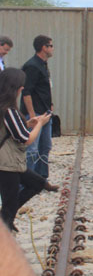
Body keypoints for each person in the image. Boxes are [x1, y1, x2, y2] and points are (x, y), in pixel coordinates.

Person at [0, 68, 51, 231]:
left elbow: (11, 130)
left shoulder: (5, 108)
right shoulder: (8, 110)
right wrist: (40, 125)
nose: (23, 89)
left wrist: (28, 124)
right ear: (15, 88)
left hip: (11, 162)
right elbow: (26, 139)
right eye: (21, 86)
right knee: (10, 203)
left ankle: (4, 220)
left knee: (37, 183)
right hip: (7, 164)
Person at [21, 35, 57, 192]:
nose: (52, 48)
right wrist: (33, 116)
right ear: (44, 47)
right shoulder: (32, 66)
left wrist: (50, 105)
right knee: (32, 149)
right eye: (51, 45)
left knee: (45, 146)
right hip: (35, 114)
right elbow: (26, 92)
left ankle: (41, 179)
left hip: (45, 113)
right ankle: (27, 183)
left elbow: (43, 88)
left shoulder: (43, 64)